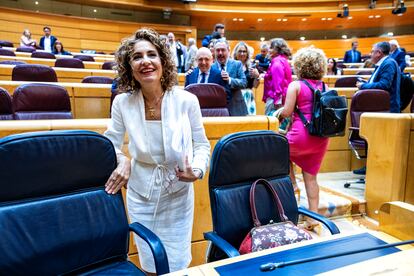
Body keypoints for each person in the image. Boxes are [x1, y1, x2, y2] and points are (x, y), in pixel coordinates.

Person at [103, 28, 210, 273]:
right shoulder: (122, 102)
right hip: (141, 194)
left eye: (152, 54)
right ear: (129, 66)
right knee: (150, 262)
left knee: (178, 264)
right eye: (137, 57)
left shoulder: (186, 100)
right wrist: (124, 160)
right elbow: (110, 142)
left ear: (163, 61)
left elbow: (202, 144)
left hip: (178, 194)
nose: (146, 61)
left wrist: (197, 169)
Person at [278, 46, 329, 231]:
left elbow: (287, 112)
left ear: (300, 65)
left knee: (279, 151)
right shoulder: (325, 86)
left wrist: (277, 113)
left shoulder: (296, 85)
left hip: (300, 137)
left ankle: (292, 184)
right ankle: (313, 219)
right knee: (312, 179)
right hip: (320, 139)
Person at [356, 41, 401, 113]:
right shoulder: (382, 63)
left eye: (372, 52)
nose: (370, 54)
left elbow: (384, 85)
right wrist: (367, 83)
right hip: (381, 105)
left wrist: (363, 86)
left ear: (379, 53)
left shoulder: (388, 63)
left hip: (387, 108)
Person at [213, 39, 247, 116]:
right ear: (214, 52)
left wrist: (230, 80)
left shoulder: (237, 64)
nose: (220, 53)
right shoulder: (211, 67)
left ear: (228, 51)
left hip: (236, 108)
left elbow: (244, 83)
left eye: (223, 50)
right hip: (217, 109)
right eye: (218, 50)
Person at [263, 38, 292, 116]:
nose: (269, 50)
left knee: (271, 124)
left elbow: (278, 84)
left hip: (274, 100)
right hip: (282, 98)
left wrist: (277, 102)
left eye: (271, 48)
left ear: (277, 49)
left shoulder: (277, 62)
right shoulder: (283, 60)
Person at [232, 41, 260, 115]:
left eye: (244, 51)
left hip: (248, 97)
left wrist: (257, 77)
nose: (242, 54)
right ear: (235, 53)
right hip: (235, 96)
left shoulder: (251, 67)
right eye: (240, 51)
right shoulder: (231, 66)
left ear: (247, 53)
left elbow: (255, 86)